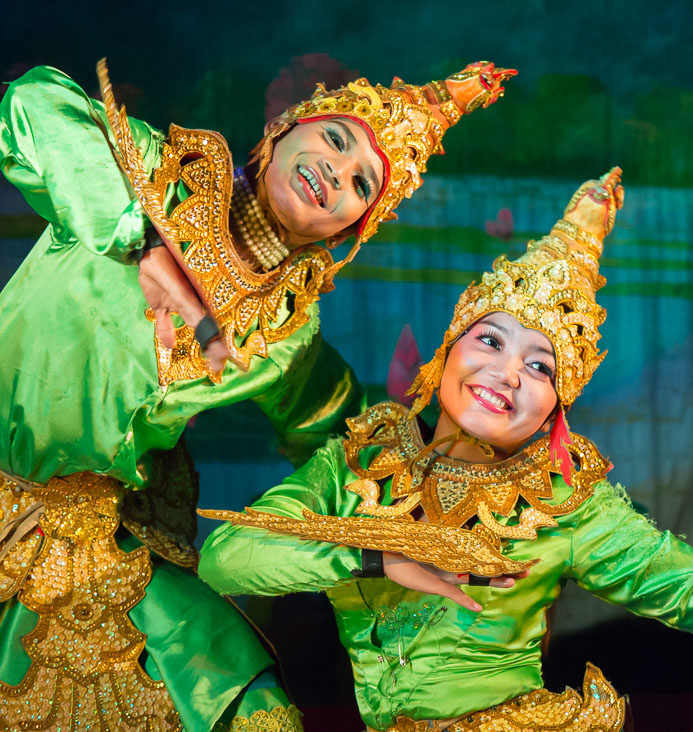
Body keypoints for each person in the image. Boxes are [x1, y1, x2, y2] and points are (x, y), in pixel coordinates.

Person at [199, 169, 693, 732]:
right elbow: (227, 558)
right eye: (493, 340)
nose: (507, 374)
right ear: (449, 348)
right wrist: (379, 557)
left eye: (540, 366)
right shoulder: (360, 461)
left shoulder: (565, 503)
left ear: (555, 408)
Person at [0, 58, 513, 732]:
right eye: (337, 140)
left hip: (93, 541)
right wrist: (140, 242)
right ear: (280, 129)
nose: (338, 173)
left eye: (363, 183)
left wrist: (433, 511)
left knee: (245, 702)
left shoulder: (286, 333)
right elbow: (29, 104)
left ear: (348, 231)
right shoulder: (155, 174)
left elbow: (337, 432)